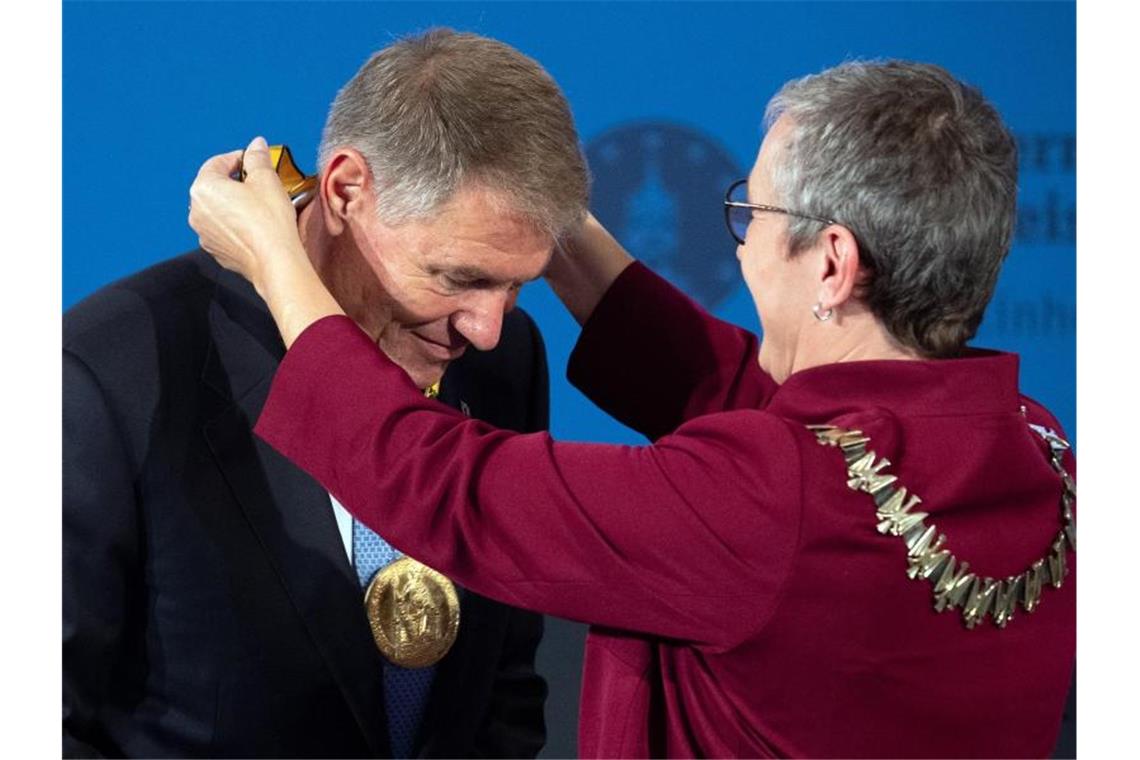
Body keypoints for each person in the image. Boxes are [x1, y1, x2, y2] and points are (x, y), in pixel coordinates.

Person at [188, 60, 1076, 757]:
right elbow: (736, 389)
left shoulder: (772, 502)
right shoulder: (1039, 445)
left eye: (750, 212)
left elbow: (442, 482)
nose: (741, 245)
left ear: (833, 263)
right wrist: (536, 198)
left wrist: (277, 261)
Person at [64, 29, 588, 758]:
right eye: (459, 278)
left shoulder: (505, 363)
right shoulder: (102, 373)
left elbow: (502, 682)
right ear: (345, 191)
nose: (489, 327)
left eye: (515, 285)